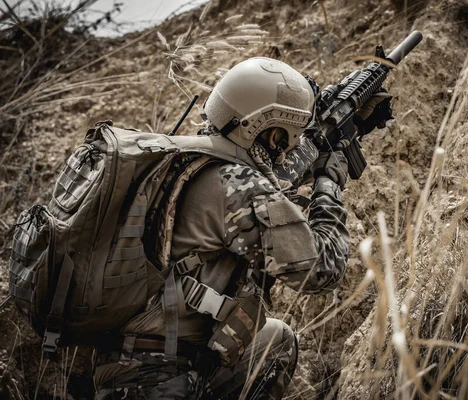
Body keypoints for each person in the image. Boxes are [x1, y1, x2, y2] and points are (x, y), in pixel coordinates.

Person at [92, 56, 392, 399]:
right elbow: (324, 270)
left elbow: (273, 181)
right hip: (153, 379)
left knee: (273, 343)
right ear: (271, 131)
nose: (292, 145)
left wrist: (339, 132)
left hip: (139, 358)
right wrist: (329, 183)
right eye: (289, 135)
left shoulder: (197, 161)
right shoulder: (238, 185)